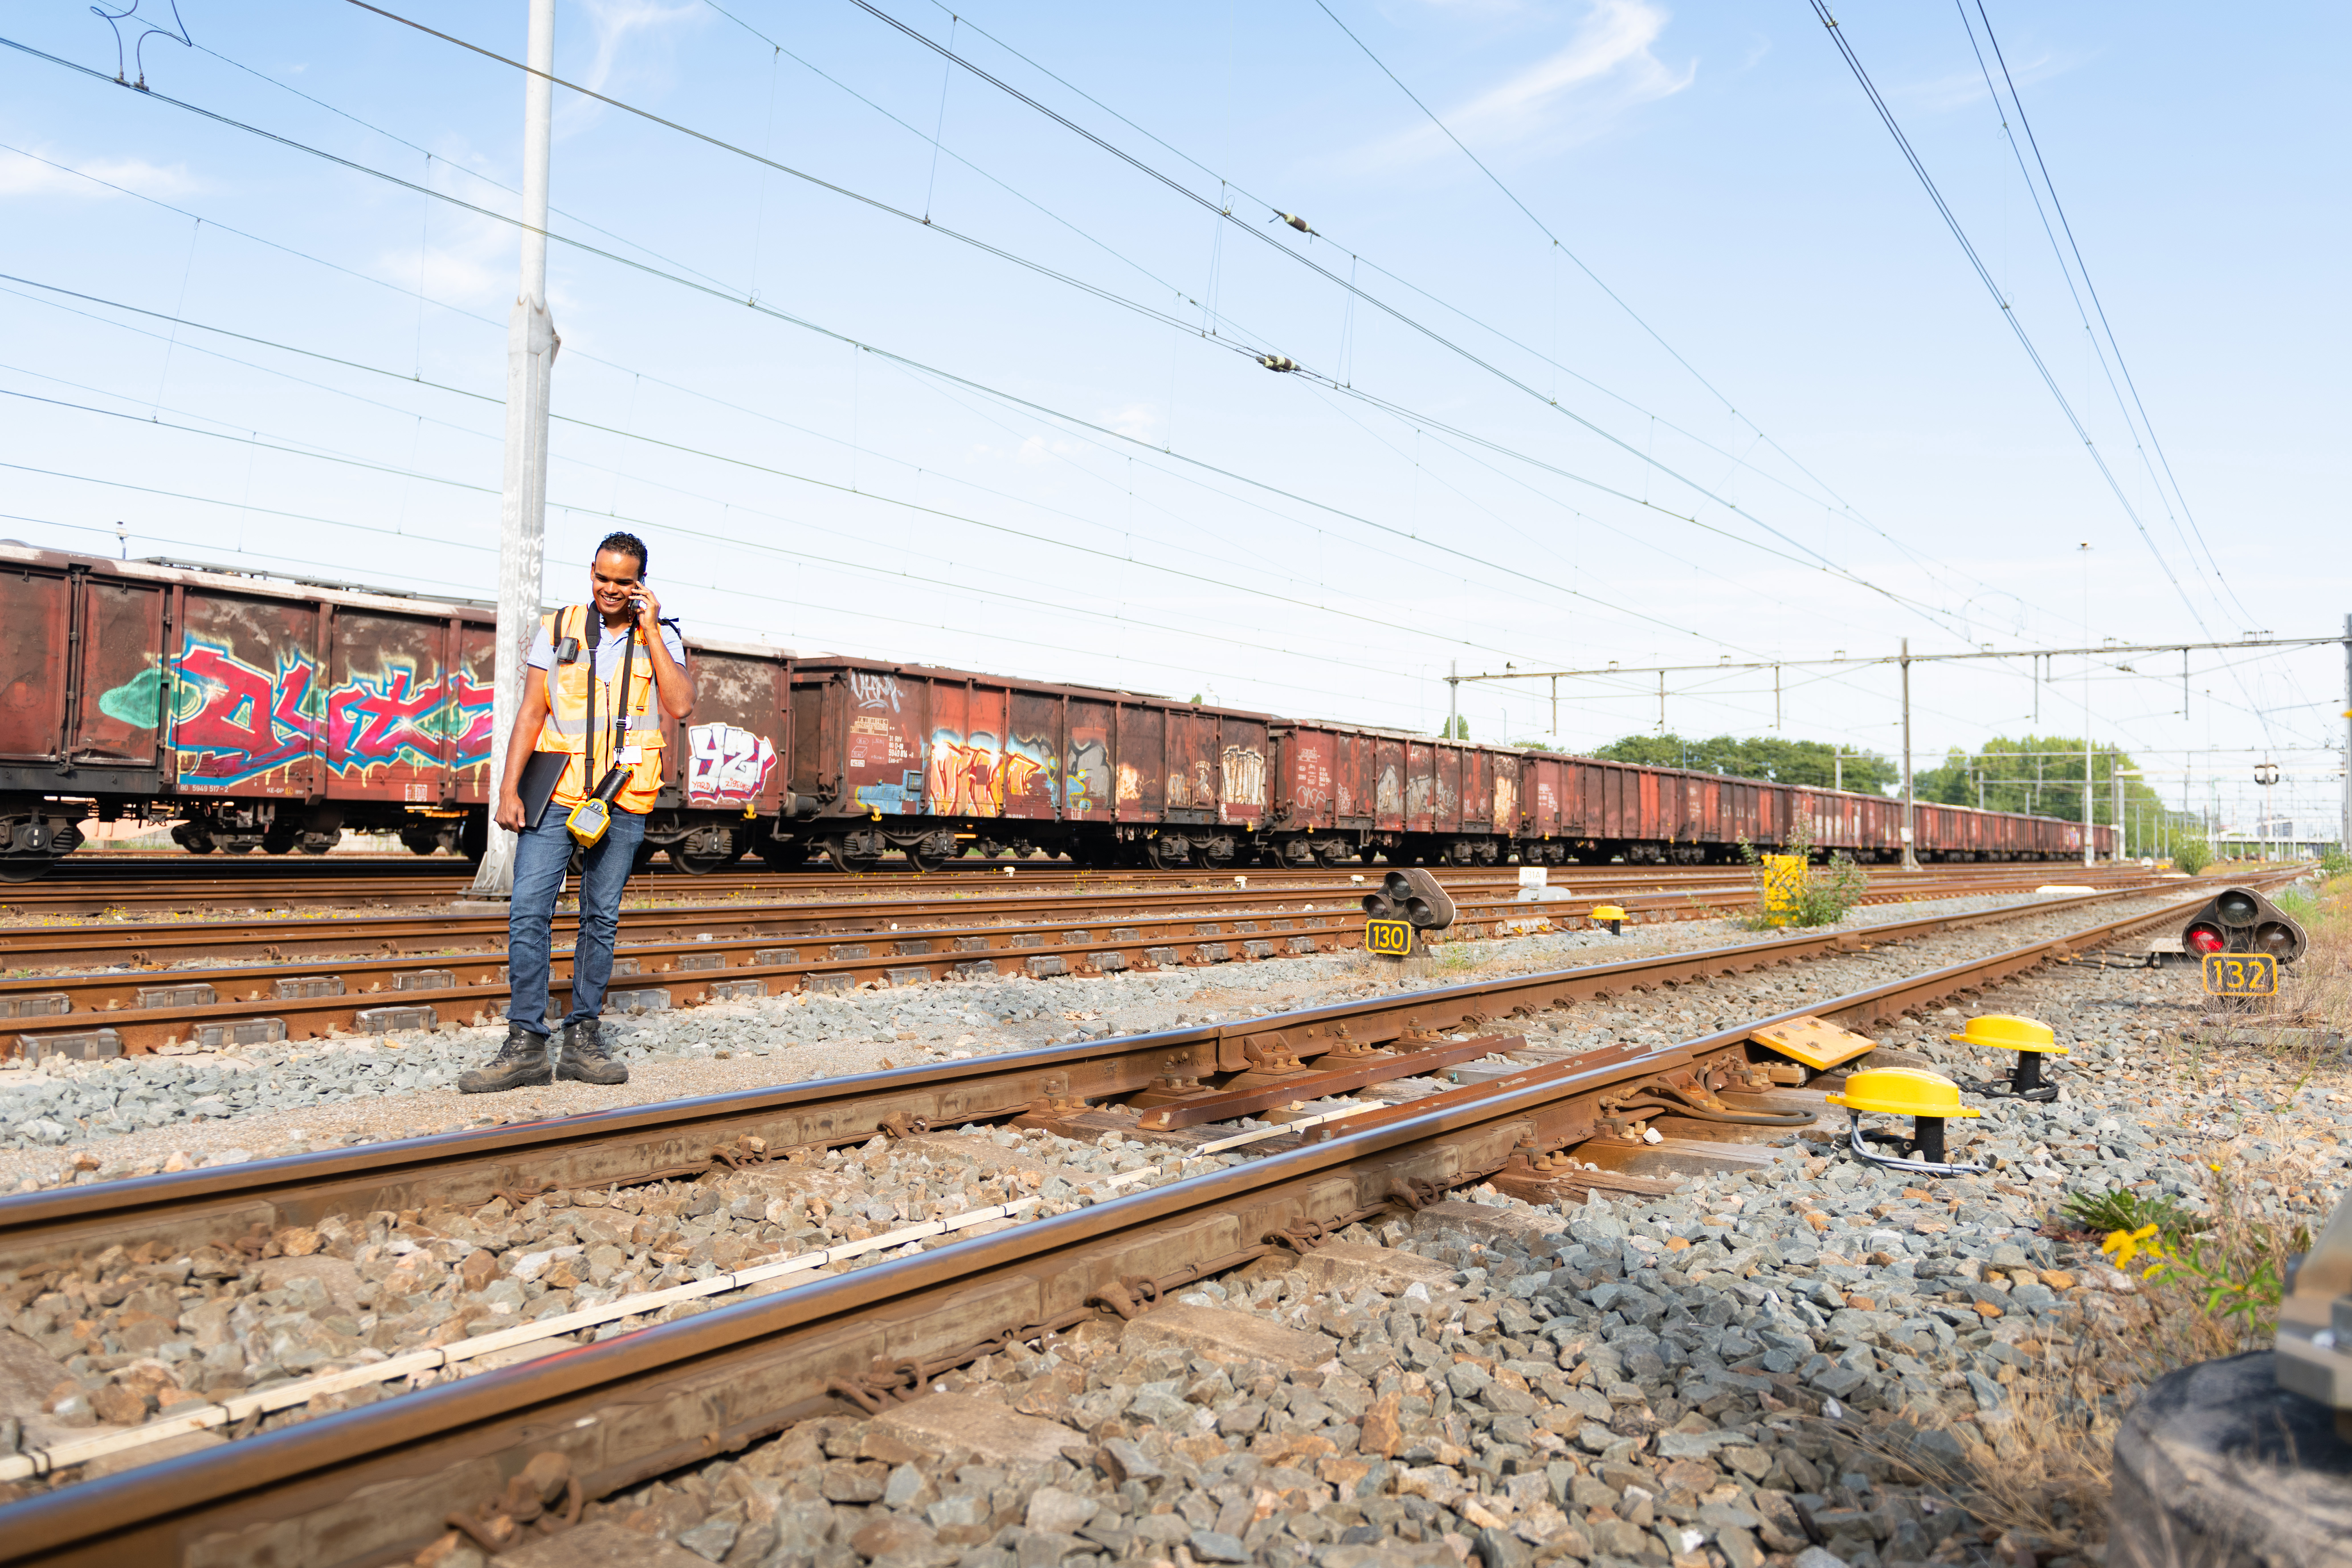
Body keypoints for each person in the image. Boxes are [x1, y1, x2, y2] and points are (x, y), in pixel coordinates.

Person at [460, 532, 694, 1093]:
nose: (610, 589)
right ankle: (525, 1044)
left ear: (640, 583)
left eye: (623, 581)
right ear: (591, 572)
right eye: (602, 577)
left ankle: (583, 1039)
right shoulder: (558, 627)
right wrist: (508, 789)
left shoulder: (662, 635)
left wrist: (651, 628)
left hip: (623, 796)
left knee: (600, 919)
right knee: (528, 911)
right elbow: (531, 712)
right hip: (558, 793)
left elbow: (681, 704)